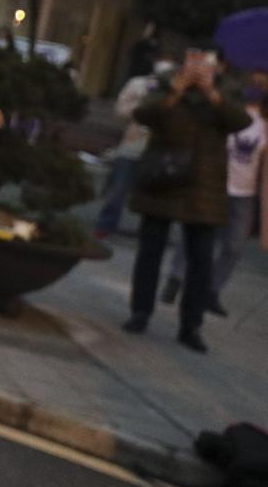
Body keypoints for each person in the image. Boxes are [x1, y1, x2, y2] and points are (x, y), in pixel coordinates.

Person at [123, 42, 252, 353]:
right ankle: (140, 311)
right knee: (150, 249)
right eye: (192, 59)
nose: (198, 66)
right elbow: (143, 114)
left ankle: (190, 325)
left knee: (201, 258)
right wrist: (175, 92)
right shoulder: (167, 82)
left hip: (203, 185)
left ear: (218, 66)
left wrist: (212, 94)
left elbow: (240, 122)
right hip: (164, 175)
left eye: (205, 61)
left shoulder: (227, 90)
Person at [161, 68, 265, 316]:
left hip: (244, 193)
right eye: (256, 80)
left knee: (234, 246)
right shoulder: (227, 113)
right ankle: (176, 278)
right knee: (195, 234)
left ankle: (212, 290)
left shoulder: (265, 125)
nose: (257, 87)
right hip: (215, 186)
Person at [95, 53, 176, 237]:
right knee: (118, 190)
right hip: (132, 144)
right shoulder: (138, 84)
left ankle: (147, 231)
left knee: (153, 196)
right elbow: (121, 109)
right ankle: (106, 224)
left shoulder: (174, 90)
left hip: (158, 148)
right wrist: (141, 107)